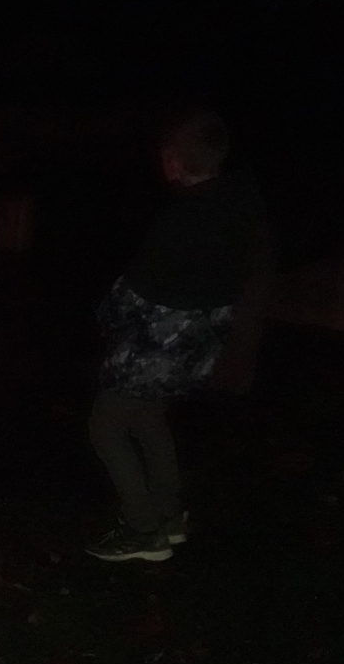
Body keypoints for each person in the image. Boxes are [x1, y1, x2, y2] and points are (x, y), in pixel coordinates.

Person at [86, 109, 274, 562]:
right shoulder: (241, 202)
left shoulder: (184, 218)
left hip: (159, 348)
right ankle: (169, 516)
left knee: (105, 426)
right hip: (201, 346)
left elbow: (133, 296)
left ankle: (142, 528)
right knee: (150, 418)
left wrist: (105, 317)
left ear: (175, 160)